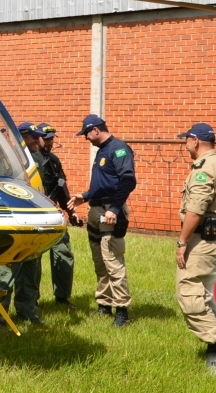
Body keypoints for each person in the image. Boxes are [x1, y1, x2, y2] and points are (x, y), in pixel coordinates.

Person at [173, 123, 216, 367]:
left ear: (195, 140)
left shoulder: (205, 168)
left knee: (188, 291)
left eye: (186, 139)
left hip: (202, 240)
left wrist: (182, 242)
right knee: (210, 294)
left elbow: (195, 209)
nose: (185, 144)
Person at [67, 114, 136, 327]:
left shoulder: (118, 148)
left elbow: (127, 180)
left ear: (96, 129)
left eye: (86, 133)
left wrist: (114, 208)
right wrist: (85, 196)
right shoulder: (101, 151)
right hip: (96, 209)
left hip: (110, 211)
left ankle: (122, 311)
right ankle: (104, 305)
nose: (85, 138)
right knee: (99, 262)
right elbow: (105, 182)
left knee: (113, 262)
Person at [23, 122, 80, 308]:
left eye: (52, 140)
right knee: (34, 260)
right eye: (46, 139)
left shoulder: (54, 161)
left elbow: (62, 189)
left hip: (53, 215)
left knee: (63, 254)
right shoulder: (27, 161)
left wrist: (71, 213)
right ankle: (33, 300)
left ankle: (62, 297)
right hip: (34, 216)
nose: (49, 143)